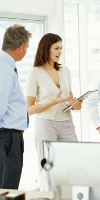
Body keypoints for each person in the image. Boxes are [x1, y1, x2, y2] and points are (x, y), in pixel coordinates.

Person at [26, 33, 83, 191]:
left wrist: (77, 104)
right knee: (48, 168)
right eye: (56, 48)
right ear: (46, 49)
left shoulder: (65, 71)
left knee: (74, 162)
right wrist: (53, 102)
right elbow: (29, 109)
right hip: (46, 124)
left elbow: (73, 103)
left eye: (61, 48)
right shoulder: (35, 73)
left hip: (66, 122)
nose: (60, 52)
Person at [0, 24, 32, 189]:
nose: (26, 51)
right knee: (7, 188)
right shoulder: (5, 71)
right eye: (26, 47)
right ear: (21, 47)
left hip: (7, 138)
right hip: (7, 138)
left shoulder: (5, 65)